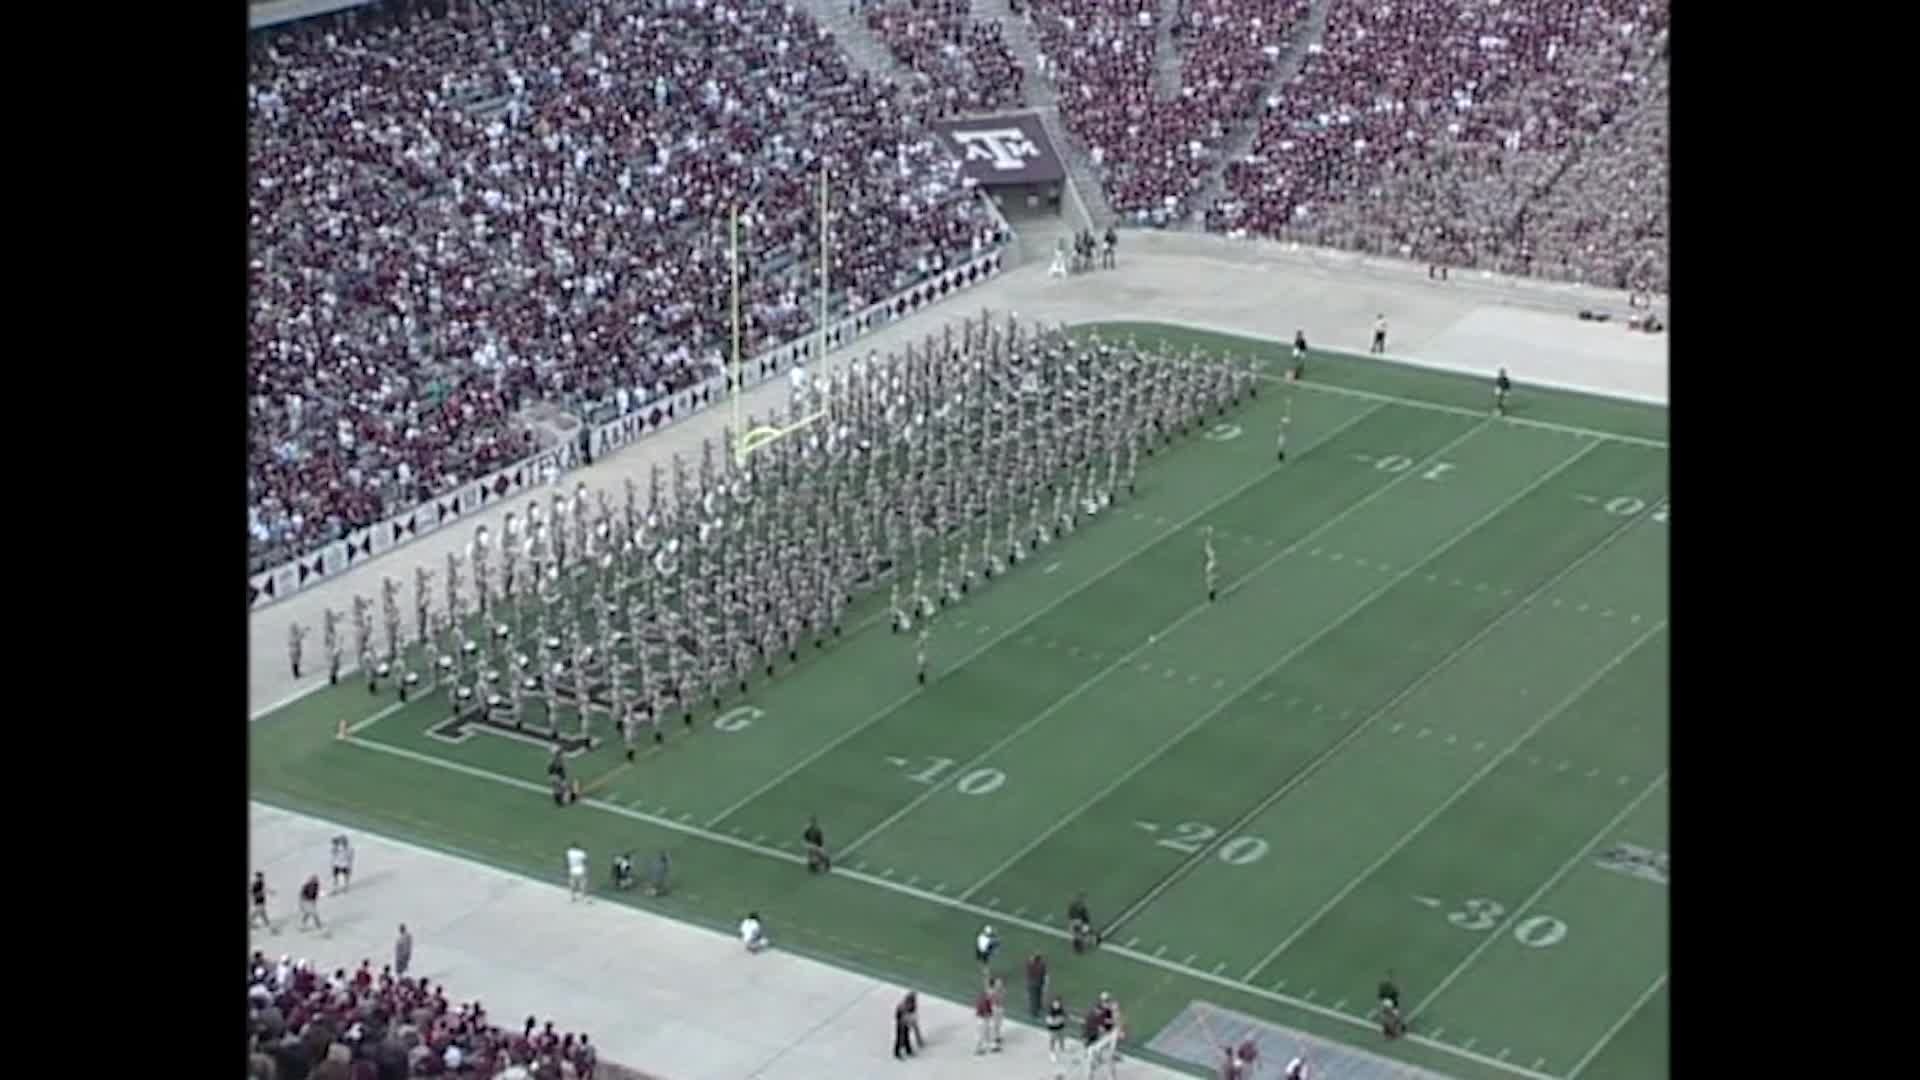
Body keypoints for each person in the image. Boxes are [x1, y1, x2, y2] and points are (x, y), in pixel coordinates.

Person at [893, 992, 918, 1059]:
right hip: (901, 1024)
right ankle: (896, 1052)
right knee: (899, 1038)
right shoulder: (901, 1006)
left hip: (907, 1023)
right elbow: (897, 1016)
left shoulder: (913, 1006)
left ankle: (908, 1050)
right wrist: (901, 1021)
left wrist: (910, 1022)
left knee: (907, 1037)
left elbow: (912, 1014)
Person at [1025, 952, 1048, 1018]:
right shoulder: (1041, 965)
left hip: (1032, 983)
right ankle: (1036, 1011)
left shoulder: (1031, 965)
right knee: (1037, 998)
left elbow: (1028, 965)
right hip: (1038, 983)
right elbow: (1044, 973)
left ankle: (1034, 1012)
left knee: (1033, 998)